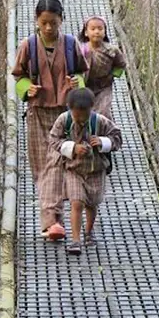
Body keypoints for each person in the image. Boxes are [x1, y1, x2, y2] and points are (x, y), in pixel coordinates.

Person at [12, 0, 89, 240]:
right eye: (44, 23)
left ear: (61, 20)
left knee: (55, 162)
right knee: (42, 168)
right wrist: (27, 88)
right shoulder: (29, 45)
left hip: (64, 114)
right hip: (37, 112)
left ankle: (51, 221)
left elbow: (82, 70)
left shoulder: (69, 44)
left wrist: (77, 83)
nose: (48, 28)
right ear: (36, 21)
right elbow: (18, 75)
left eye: (53, 23)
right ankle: (54, 219)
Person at [49, 88, 122, 254]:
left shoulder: (100, 121)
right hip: (74, 169)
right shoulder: (64, 120)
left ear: (91, 108)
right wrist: (72, 147)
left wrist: (103, 142)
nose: (81, 119)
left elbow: (117, 137)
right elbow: (53, 139)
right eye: (77, 115)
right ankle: (75, 240)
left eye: (84, 115)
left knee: (92, 203)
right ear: (70, 109)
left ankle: (89, 232)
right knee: (76, 202)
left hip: (95, 169)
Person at [78, 15, 126, 118]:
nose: (96, 32)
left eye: (100, 29)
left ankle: (106, 130)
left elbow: (121, 64)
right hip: (86, 85)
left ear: (105, 32)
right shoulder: (82, 50)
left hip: (104, 86)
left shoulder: (112, 51)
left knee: (103, 111)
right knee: (85, 111)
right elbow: (75, 67)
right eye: (93, 29)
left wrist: (113, 75)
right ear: (86, 32)